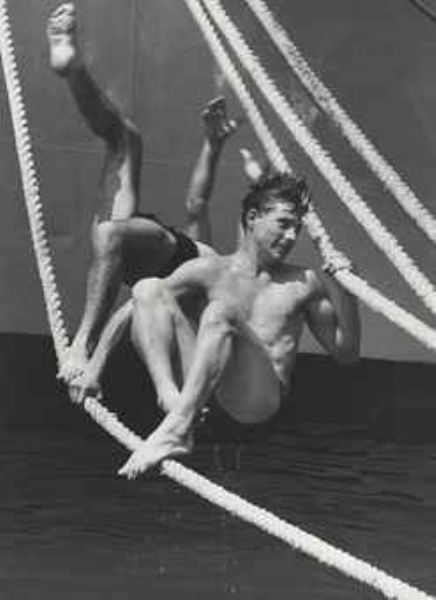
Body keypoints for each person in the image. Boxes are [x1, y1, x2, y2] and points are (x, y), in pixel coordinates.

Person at [76, 169, 361, 479]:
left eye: (297, 228)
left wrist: (346, 292)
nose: (292, 236)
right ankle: (169, 398)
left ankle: (177, 427)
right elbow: (133, 307)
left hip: (255, 401)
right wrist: (93, 369)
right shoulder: (209, 270)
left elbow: (346, 354)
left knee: (220, 312)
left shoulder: (304, 282)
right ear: (253, 218)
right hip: (203, 395)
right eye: (283, 224)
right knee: (148, 288)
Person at [47, 3, 239, 385]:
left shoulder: (214, 295)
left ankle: (82, 342)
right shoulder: (219, 270)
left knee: (111, 228)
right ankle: (72, 68)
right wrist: (212, 146)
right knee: (125, 140)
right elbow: (196, 205)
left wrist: (94, 363)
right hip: (162, 253)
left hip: (160, 264)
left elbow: (134, 312)